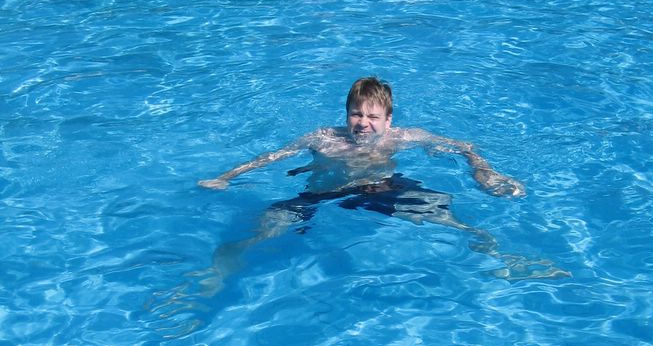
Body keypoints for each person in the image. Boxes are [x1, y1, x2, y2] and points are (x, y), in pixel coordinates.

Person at [196, 78, 536, 286]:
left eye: (373, 116)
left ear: (388, 120)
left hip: (381, 188)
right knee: (267, 223)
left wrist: (484, 172)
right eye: (356, 114)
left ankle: (501, 257)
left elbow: (465, 147)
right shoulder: (322, 138)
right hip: (323, 193)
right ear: (346, 114)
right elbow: (270, 157)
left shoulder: (403, 137)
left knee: (451, 220)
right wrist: (225, 178)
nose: (363, 123)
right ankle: (222, 268)